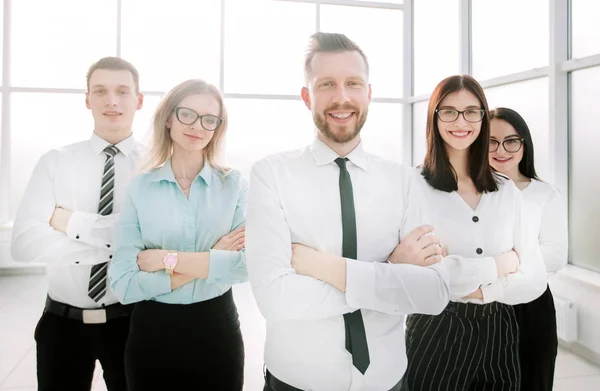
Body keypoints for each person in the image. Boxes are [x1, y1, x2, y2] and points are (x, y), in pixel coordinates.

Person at [246, 31, 453, 391]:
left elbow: (432, 294)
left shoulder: (404, 181)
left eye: (353, 83)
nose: (341, 97)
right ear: (307, 96)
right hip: (295, 382)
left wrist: (325, 268)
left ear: (368, 93)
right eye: (326, 84)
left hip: (387, 381)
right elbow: (275, 301)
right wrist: (391, 274)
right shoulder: (270, 175)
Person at [402, 75, 548, 390]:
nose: (461, 121)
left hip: (500, 325)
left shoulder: (506, 190)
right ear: (434, 117)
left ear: (483, 117)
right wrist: (498, 265)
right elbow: (418, 275)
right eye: (449, 111)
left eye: (471, 111)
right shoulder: (411, 187)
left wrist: (482, 291)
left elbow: (532, 274)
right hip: (436, 326)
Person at [10, 57, 144, 391]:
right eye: (100, 91)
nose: (111, 100)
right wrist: (120, 242)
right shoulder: (55, 162)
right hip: (61, 324)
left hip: (131, 323)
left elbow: (155, 241)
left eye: (122, 91)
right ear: (87, 100)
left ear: (138, 100)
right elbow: (24, 244)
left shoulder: (156, 167)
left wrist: (71, 223)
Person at [108, 79, 247, 391]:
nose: (197, 126)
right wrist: (213, 257)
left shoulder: (235, 185)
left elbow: (246, 266)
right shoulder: (140, 187)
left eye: (209, 119)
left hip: (217, 329)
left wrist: (164, 259)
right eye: (187, 114)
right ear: (168, 118)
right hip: (153, 333)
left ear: (217, 128)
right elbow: (125, 285)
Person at [490, 107, 568, 391]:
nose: (502, 150)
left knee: (533, 380)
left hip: (532, 306)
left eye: (511, 140)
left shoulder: (544, 194)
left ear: (524, 143)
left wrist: (499, 264)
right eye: (492, 141)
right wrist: (520, 258)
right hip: (480, 305)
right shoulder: (470, 191)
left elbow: (555, 255)